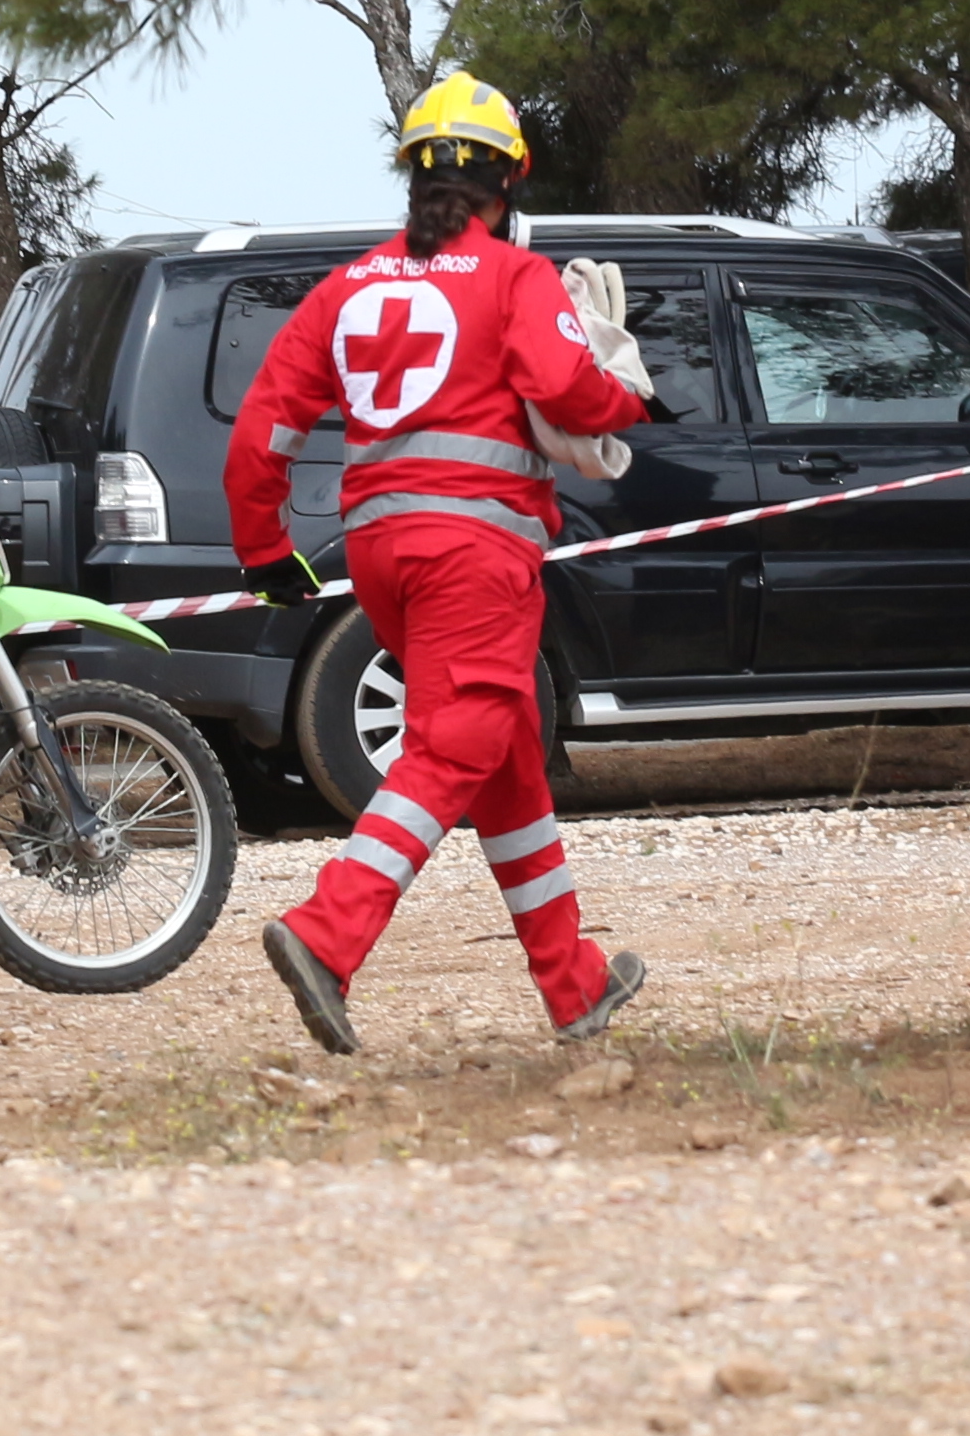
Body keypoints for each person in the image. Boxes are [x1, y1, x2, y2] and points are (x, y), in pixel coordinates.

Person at [224, 71, 652, 1055]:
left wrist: (267, 554)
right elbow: (566, 392)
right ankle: (327, 935)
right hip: (477, 548)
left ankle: (573, 981)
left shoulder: (350, 285)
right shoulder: (515, 278)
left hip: (380, 552)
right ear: (508, 183)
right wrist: (626, 392)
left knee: (502, 768)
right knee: (456, 745)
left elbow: (260, 436)